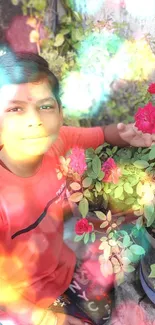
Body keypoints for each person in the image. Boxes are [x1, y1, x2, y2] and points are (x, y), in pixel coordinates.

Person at [0, 47, 154, 325]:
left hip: (60, 269)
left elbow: (95, 135)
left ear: (59, 114)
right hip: (18, 300)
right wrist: (48, 319)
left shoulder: (54, 143)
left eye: (45, 106)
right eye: (15, 109)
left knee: (106, 311)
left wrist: (124, 134)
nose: (35, 120)